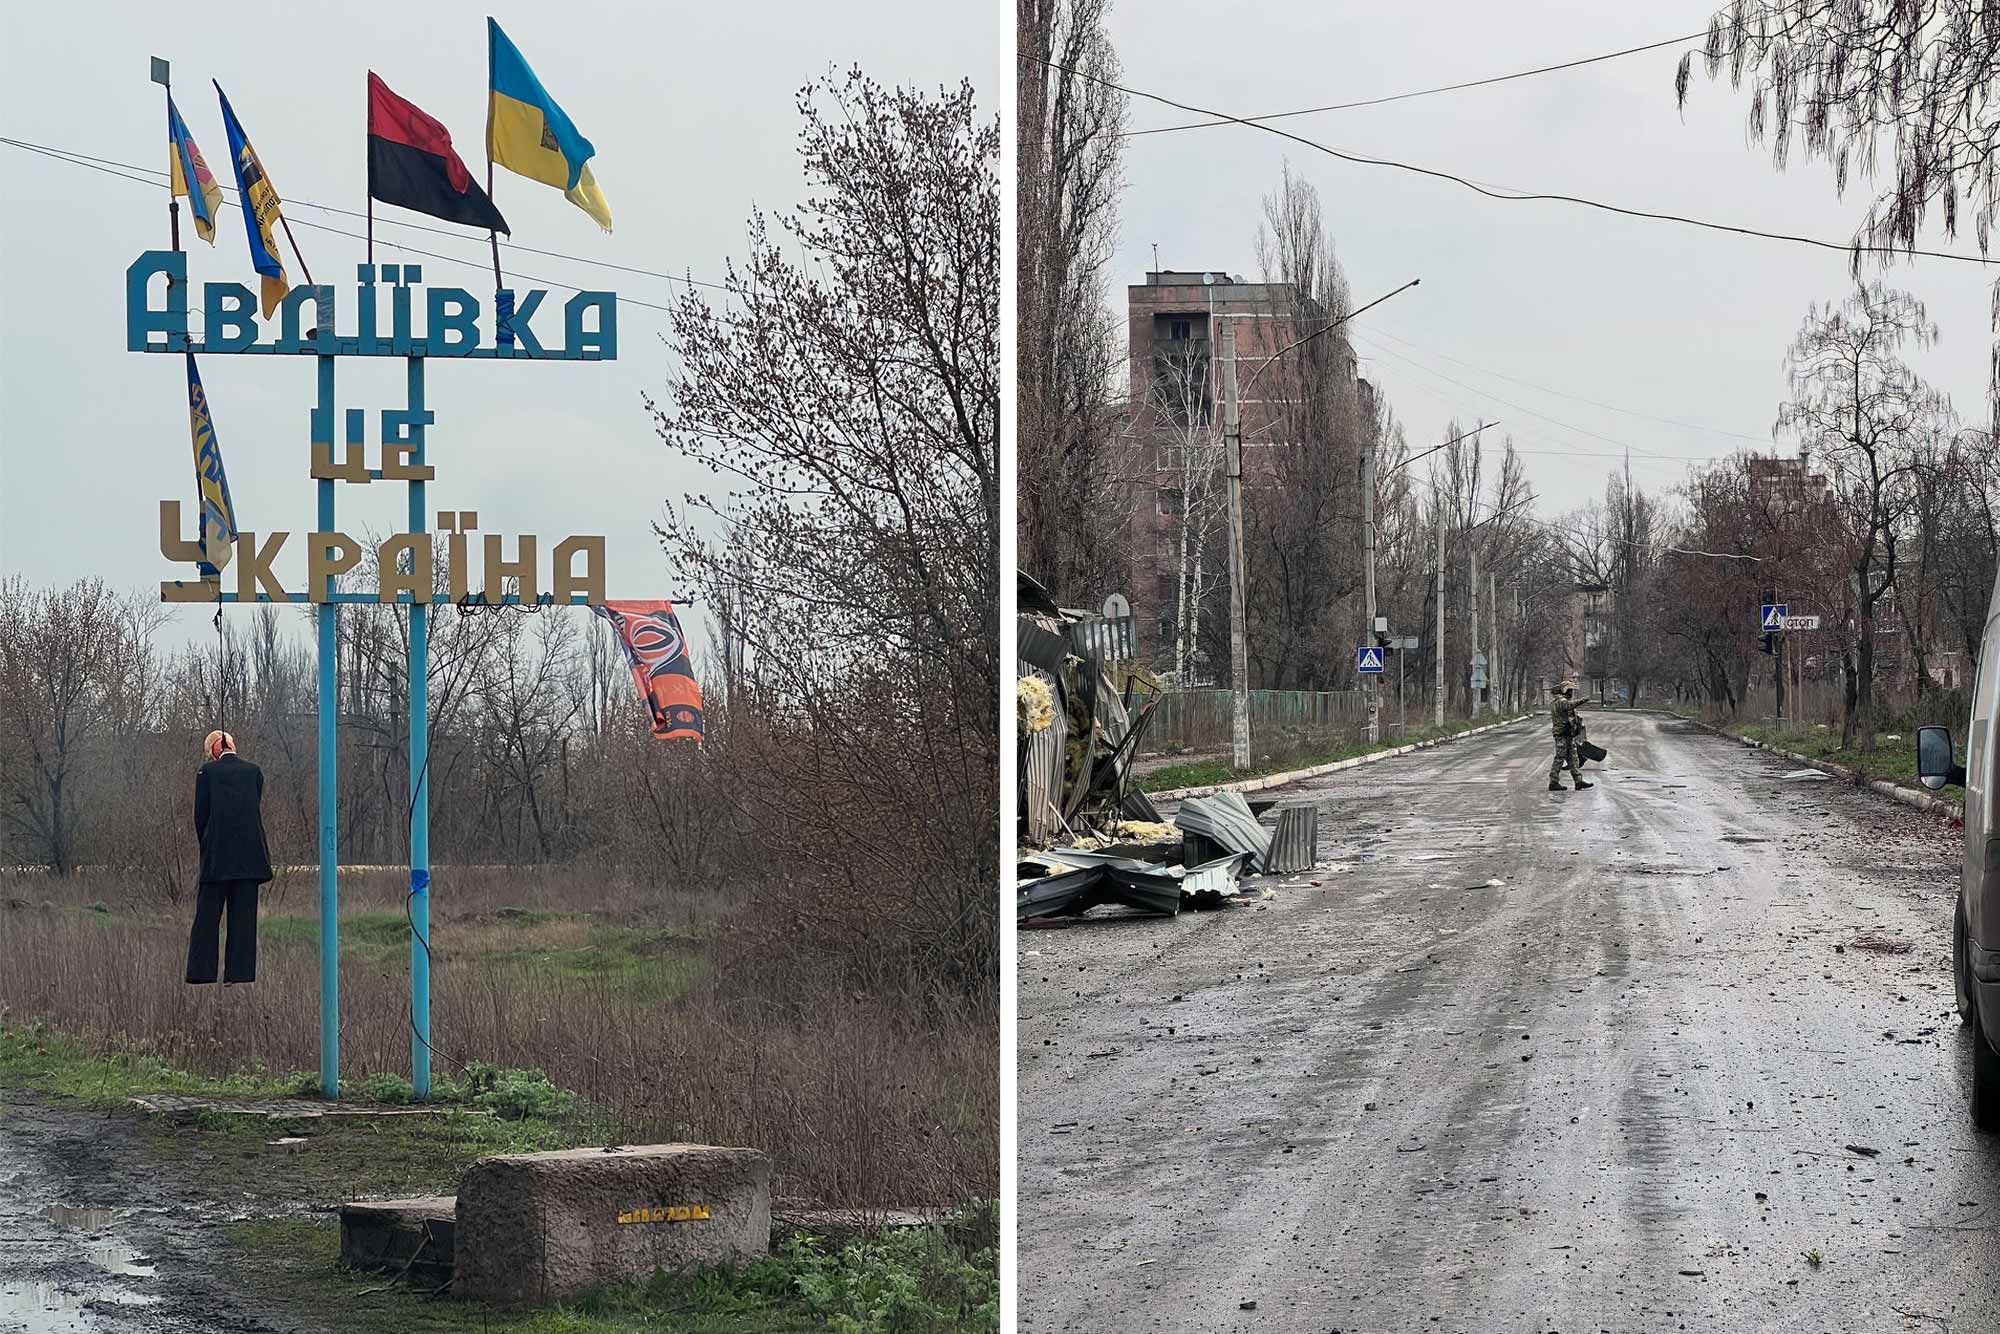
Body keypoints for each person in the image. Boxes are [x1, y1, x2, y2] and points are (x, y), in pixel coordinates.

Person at [186, 730, 274, 985]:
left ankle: (201, 974)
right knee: (244, 921)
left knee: (207, 918)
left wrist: (207, 845)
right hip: (250, 859)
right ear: (232, 744)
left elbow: (200, 816)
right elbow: (253, 805)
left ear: (213, 750)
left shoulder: (206, 773)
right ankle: (240, 974)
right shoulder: (254, 772)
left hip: (217, 858)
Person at [1548, 683, 1593, 793]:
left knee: (1573, 758)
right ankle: (1553, 782)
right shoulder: (1560, 701)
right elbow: (1569, 705)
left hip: (1568, 734)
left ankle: (1578, 781)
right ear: (1565, 691)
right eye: (1570, 690)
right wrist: (1583, 700)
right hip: (1562, 734)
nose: (1571, 693)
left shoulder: (1561, 701)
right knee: (1560, 757)